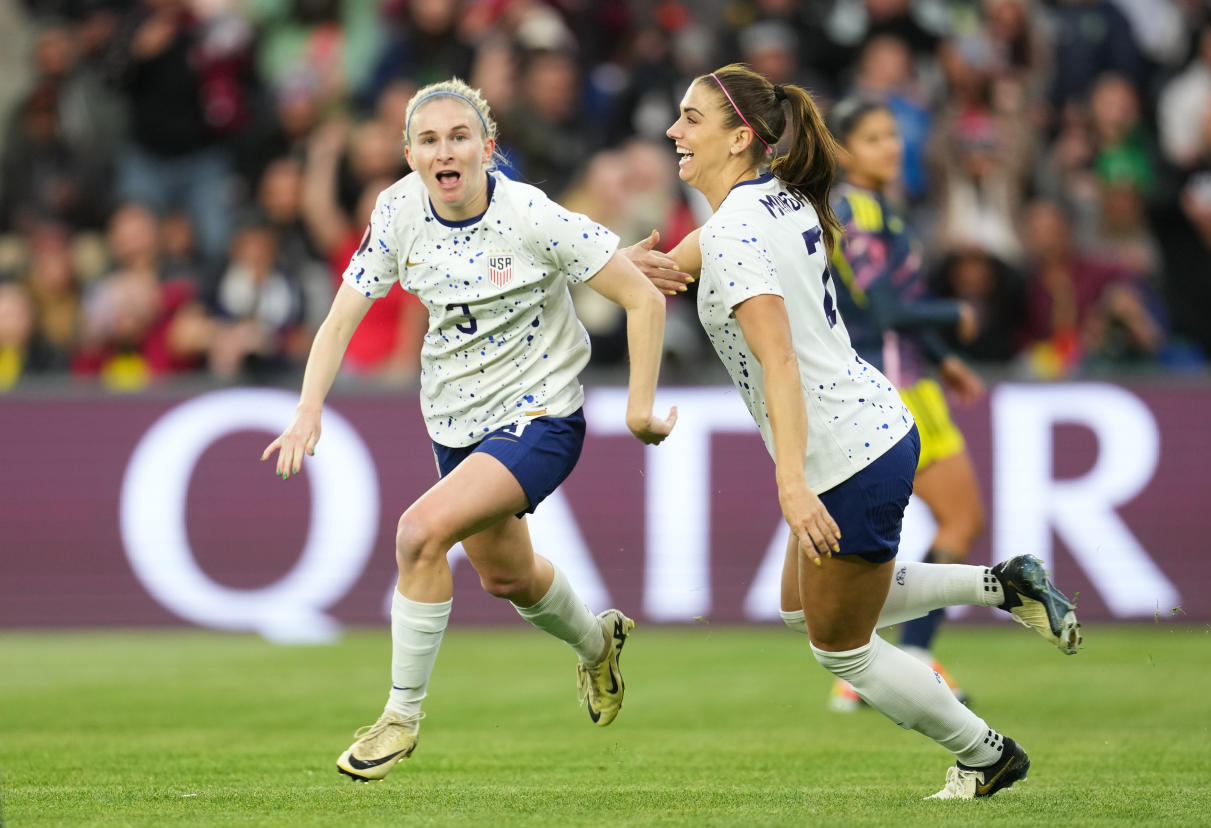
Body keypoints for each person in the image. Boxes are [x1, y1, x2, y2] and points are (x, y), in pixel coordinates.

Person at [628, 63, 1079, 799]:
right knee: (801, 606)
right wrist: (618, 267)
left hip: (844, 456)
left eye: (690, 118)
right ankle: (1004, 584)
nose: (674, 131)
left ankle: (985, 753)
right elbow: (672, 269)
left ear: (741, 137)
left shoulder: (739, 229)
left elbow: (778, 361)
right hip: (875, 425)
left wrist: (792, 485)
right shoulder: (771, 200)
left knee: (843, 650)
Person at [261, 78, 676, 783]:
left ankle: (399, 716)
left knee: (419, 533)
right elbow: (339, 321)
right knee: (508, 577)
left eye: (459, 137)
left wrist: (639, 407)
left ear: (487, 148)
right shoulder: (395, 212)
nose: (444, 150)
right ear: (409, 153)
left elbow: (641, 298)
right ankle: (596, 644)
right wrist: (308, 407)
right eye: (428, 139)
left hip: (543, 414)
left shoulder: (532, 214)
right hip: (455, 420)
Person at [823, 97, 987, 710]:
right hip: (889, 386)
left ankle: (883, 660)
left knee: (946, 524)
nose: (890, 147)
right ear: (842, 151)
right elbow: (887, 311)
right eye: (872, 138)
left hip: (908, 379)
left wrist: (944, 358)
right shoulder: (852, 211)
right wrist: (956, 313)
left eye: (893, 135)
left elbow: (893, 303)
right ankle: (889, 659)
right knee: (955, 521)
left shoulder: (879, 208)